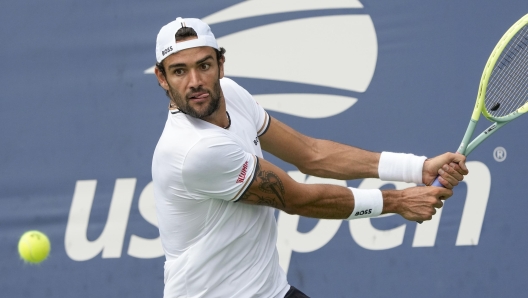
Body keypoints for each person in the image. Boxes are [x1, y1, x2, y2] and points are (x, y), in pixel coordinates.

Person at [151, 17, 468, 298]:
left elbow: (311, 154)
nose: (195, 82)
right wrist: (398, 202)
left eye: (203, 66)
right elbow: (298, 199)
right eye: (179, 71)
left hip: (270, 290)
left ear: (221, 64)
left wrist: (417, 169)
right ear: (162, 78)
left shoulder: (230, 93)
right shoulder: (194, 151)